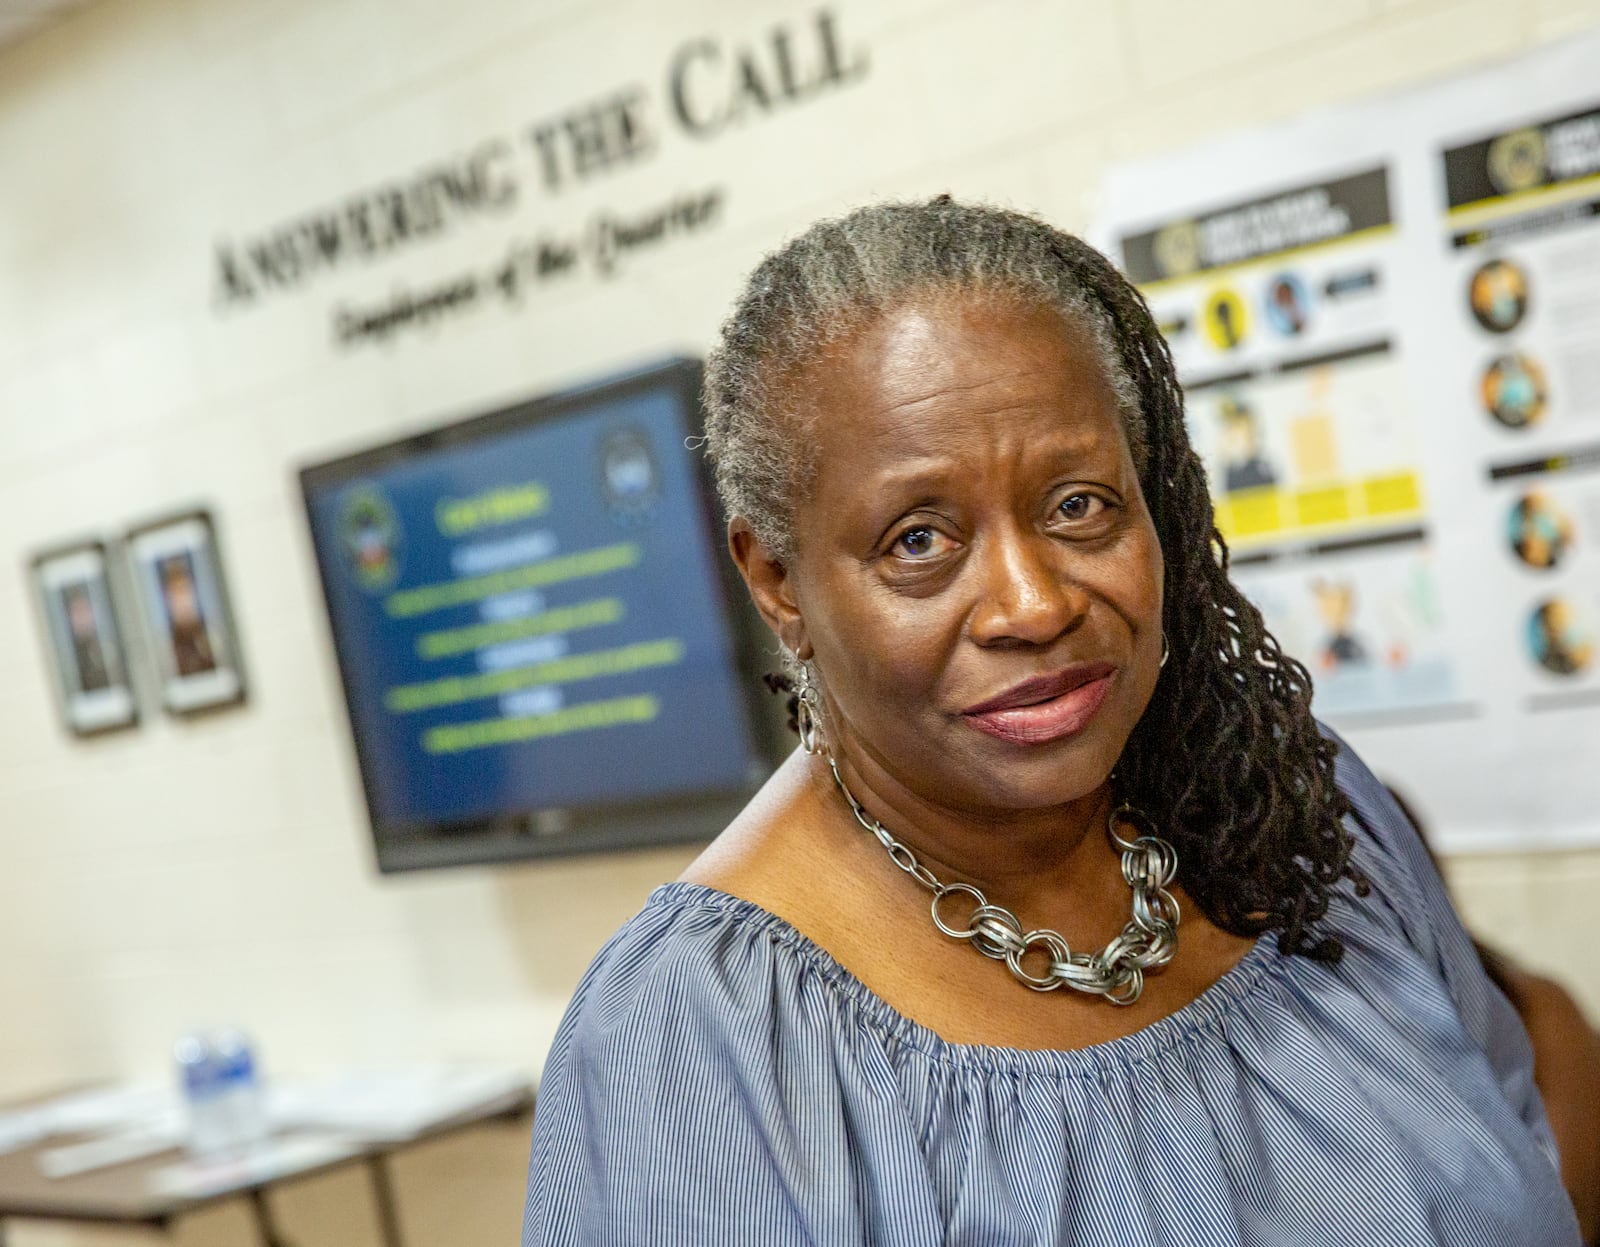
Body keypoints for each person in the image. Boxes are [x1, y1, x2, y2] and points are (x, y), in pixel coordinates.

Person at [522, 198, 1581, 1245]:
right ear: (777, 581)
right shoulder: (699, 1032)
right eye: (918, 539)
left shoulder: (1298, 804)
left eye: (1079, 504)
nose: (1034, 603)